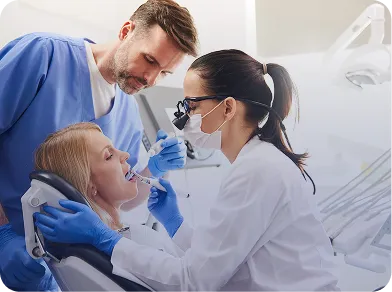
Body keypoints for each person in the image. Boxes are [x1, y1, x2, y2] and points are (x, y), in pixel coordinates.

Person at [34, 49, 341, 292]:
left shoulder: (258, 171)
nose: (184, 117)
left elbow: (195, 280)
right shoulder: (257, 164)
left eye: (192, 106)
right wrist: (174, 223)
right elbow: (214, 261)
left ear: (228, 108)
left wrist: (105, 238)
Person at [0, 0, 198, 290]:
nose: (151, 79)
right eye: (150, 60)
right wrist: (3, 233)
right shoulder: (43, 56)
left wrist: (153, 169)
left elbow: (119, 197)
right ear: (126, 30)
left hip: (57, 272)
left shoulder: (128, 112)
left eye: (165, 73)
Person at [34, 122, 183, 258]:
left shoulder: (112, 247)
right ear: (91, 187)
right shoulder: (136, 245)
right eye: (109, 156)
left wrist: (174, 224)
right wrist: (175, 225)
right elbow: (191, 279)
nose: (126, 155)